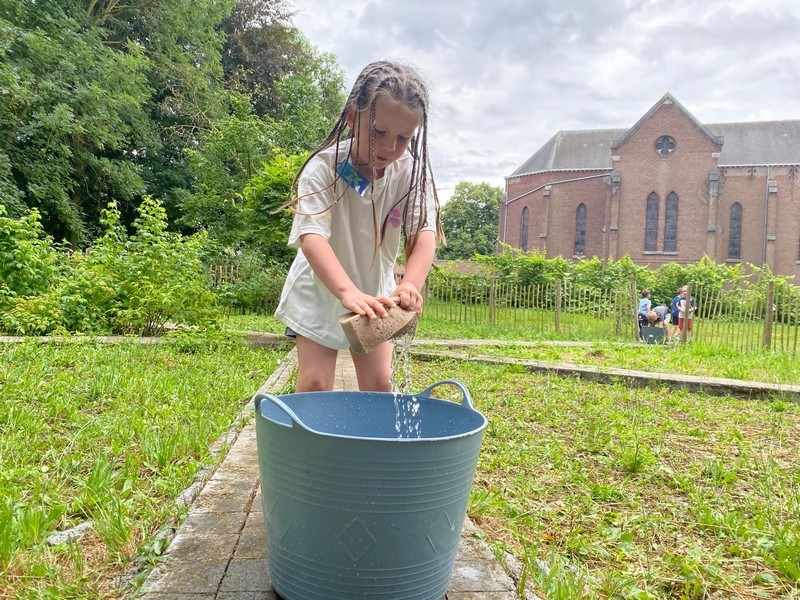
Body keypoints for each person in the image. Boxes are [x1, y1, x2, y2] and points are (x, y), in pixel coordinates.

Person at [274, 61, 444, 393]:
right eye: (379, 132)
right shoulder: (324, 168)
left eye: (403, 138)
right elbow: (311, 237)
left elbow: (424, 233)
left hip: (375, 295)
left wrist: (411, 284)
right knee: (315, 383)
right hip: (319, 291)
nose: (389, 148)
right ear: (353, 117)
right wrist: (347, 292)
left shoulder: (411, 174)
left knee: (380, 384)